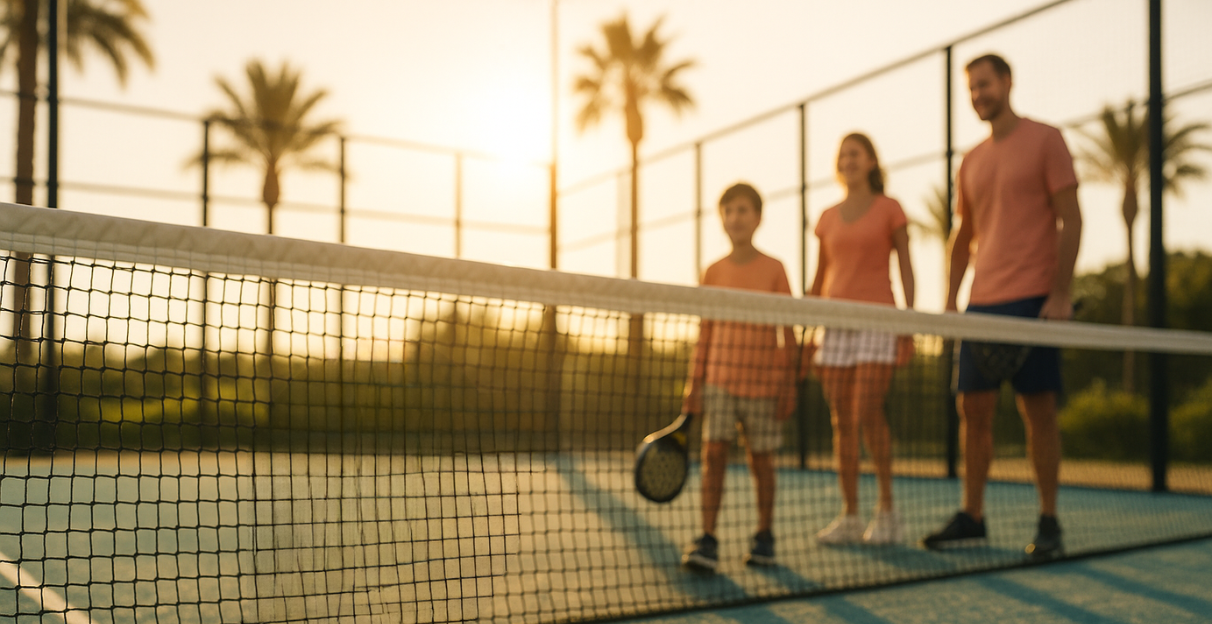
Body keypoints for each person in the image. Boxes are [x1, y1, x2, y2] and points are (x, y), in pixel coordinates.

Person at [922, 53, 1082, 560]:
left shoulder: (1047, 140)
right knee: (973, 409)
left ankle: (1049, 520)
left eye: (985, 85)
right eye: (971, 89)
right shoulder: (970, 161)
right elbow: (963, 234)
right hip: (981, 305)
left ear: (1008, 83)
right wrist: (950, 300)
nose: (978, 95)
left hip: (1033, 299)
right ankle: (973, 516)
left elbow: (1071, 219)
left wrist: (1059, 293)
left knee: (1038, 411)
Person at [681, 182, 797, 572]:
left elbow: (788, 335)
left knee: (761, 461)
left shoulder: (775, 269)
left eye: (743, 210)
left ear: (759, 218)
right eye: (729, 211)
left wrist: (788, 384)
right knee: (713, 456)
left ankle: (764, 536)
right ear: (722, 220)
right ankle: (707, 538)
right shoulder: (712, 272)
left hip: (763, 383)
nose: (735, 218)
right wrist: (694, 384)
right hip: (719, 381)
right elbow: (705, 333)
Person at [808, 133, 915, 546]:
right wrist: (805, 327)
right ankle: (850, 515)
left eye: (855, 153)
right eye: (842, 155)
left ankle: (887, 512)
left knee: (867, 411)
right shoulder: (827, 217)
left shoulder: (890, 209)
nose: (847, 160)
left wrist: (907, 324)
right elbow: (820, 278)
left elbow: (905, 266)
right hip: (834, 326)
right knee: (842, 421)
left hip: (878, 320)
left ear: (872, 161)